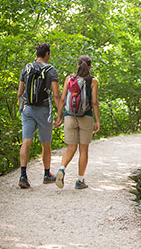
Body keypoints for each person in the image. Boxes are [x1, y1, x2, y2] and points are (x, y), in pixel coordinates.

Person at [17, 42, 62, 188]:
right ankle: (47, 174)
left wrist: (21, 109)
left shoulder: (27, 68)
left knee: (26, 141)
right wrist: (59, 114)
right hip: (43, 110)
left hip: (28, 109)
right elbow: (56, 95)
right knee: (45, 144)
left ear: (37, 54)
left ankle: (23, 176)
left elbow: (20, 93)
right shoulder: (51, 70)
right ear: (47, 53)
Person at [55, 55, 100, 189]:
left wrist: (59, 116)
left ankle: (62, 169)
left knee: (71, 148)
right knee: (83, 149)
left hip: (70, 117)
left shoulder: (69, 79)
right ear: (90, 66)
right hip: (86, 117)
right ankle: (80, 181)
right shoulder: (93, 81)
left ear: (78, 65)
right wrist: (97, 120)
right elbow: (94, 102)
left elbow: (62, 99)